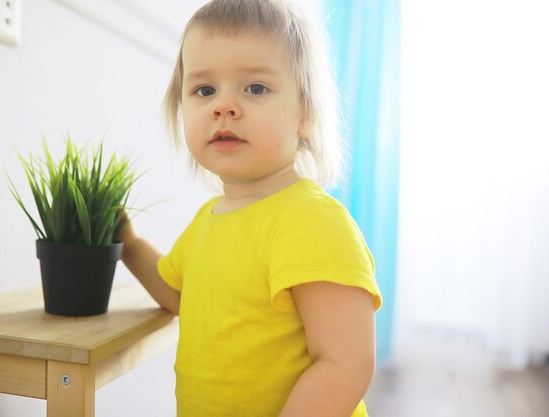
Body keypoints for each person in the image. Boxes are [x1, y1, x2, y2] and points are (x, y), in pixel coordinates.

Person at [119, 0, 382, 416]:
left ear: (305, 115)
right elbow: (181, 295)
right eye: (204, 90)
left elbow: (346, 363)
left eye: (255, 88)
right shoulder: (209, 219)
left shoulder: (312, 222)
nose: (224, 106)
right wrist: (129, 244)